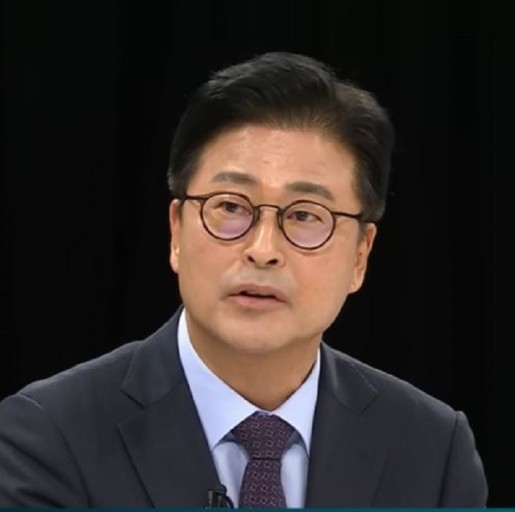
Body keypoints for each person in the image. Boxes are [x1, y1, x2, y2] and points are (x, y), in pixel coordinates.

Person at [0, 51, 487, 508]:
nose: (263, 249)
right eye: (231, 207)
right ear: (176, 231)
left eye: (305, 215)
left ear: (361, 255)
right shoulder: (48, 437)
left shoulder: (432, 450)